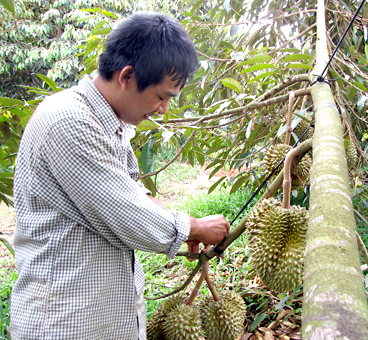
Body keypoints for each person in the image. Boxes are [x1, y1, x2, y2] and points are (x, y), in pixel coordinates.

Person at [10, 12, 230, 340]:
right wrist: (194, 227)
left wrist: (182, 227)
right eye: (162, 96)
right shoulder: (69, 121)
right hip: (64, 324)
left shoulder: (107, 125)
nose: (162, 110)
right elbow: (126, 211)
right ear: (127, 76)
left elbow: (131, 193)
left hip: (101, 319)